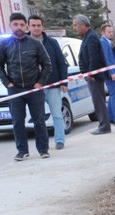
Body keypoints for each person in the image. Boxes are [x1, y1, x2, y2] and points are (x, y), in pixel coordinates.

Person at [0, 12, 52, 160]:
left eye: (21, 24)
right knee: (17, 121)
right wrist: (7, 83)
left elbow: (47, 64)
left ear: (26, 26)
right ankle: (22, 151)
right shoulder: (4, 44)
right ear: (10, 25)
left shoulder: (35, 43)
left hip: (34, 88)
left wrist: (40, 82)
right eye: (15, 24)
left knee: (39, 120)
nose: (18, 27)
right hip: (15, 90)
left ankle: (43, 149)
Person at [28, 15, 68, 150]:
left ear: (42, 26)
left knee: (57, 114)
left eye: (38, 25)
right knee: (39, 118)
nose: (36, 28)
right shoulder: (24, 43)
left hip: (52, 84)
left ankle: (60, 140)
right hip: (34, 86)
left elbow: (61, 63)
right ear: (28, 27)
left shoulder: (52, 43)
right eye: (33, 25)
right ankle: (43, 144)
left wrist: (63, 82)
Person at [73, 14, 111, 135]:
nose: (74, 28)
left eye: (75, 25)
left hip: (94, 76)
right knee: (98, 100)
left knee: (98, 101)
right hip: (92, 75)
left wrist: (91, 74)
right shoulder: (88, 37)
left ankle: (104, 125)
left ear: (83, 25)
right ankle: (103, 124)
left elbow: (93, 57)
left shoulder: (91, 38)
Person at [101, 23, 115, 125]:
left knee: (113, 94)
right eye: (109, 32)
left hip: (112, 71)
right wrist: (111, 72)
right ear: (103, 32)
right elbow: (106, 58)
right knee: (114, 94)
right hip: (109, 72)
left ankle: (111, 116)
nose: (111, 33)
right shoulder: (103, 42)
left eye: (112, 31)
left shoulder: (107, 42)